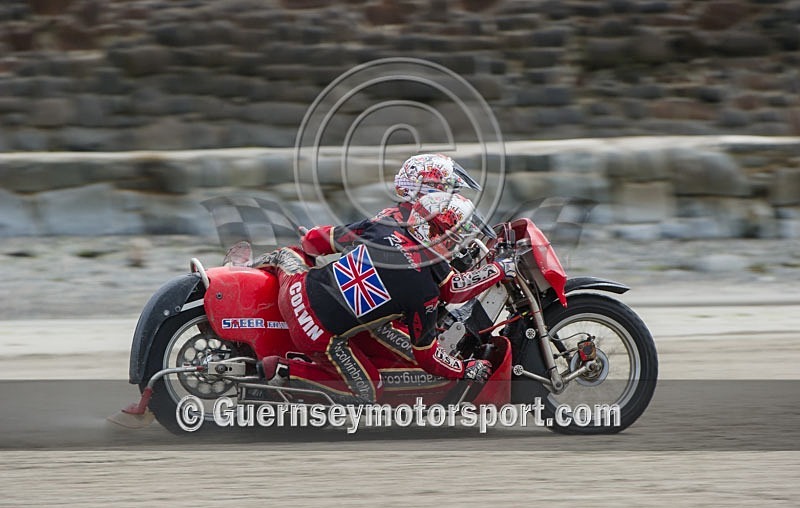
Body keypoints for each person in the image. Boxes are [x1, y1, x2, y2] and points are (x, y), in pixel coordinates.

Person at [251, 192, 516, 404]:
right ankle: (284, 371)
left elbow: (314, 241)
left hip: (296, 285)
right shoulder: (424, 290)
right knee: (368, 392)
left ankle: (249, 266)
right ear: (436, 233)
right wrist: (463, 368)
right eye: (454, 237)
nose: (455, 244)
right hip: (315, 332)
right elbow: (427, 356)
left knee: (293, 253)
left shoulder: (384, 224)